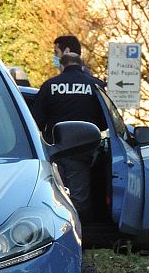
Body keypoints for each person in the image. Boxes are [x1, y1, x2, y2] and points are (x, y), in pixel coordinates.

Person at [31, 50, 107, 222]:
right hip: (83, 150)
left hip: (54, 151)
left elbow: (37, 120)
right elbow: (104, 122)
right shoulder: (95, 86)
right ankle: (80, 235)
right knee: (79, 198)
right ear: (81, 65)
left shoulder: (50, 85)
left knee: (55, 195)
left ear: (62, 65)